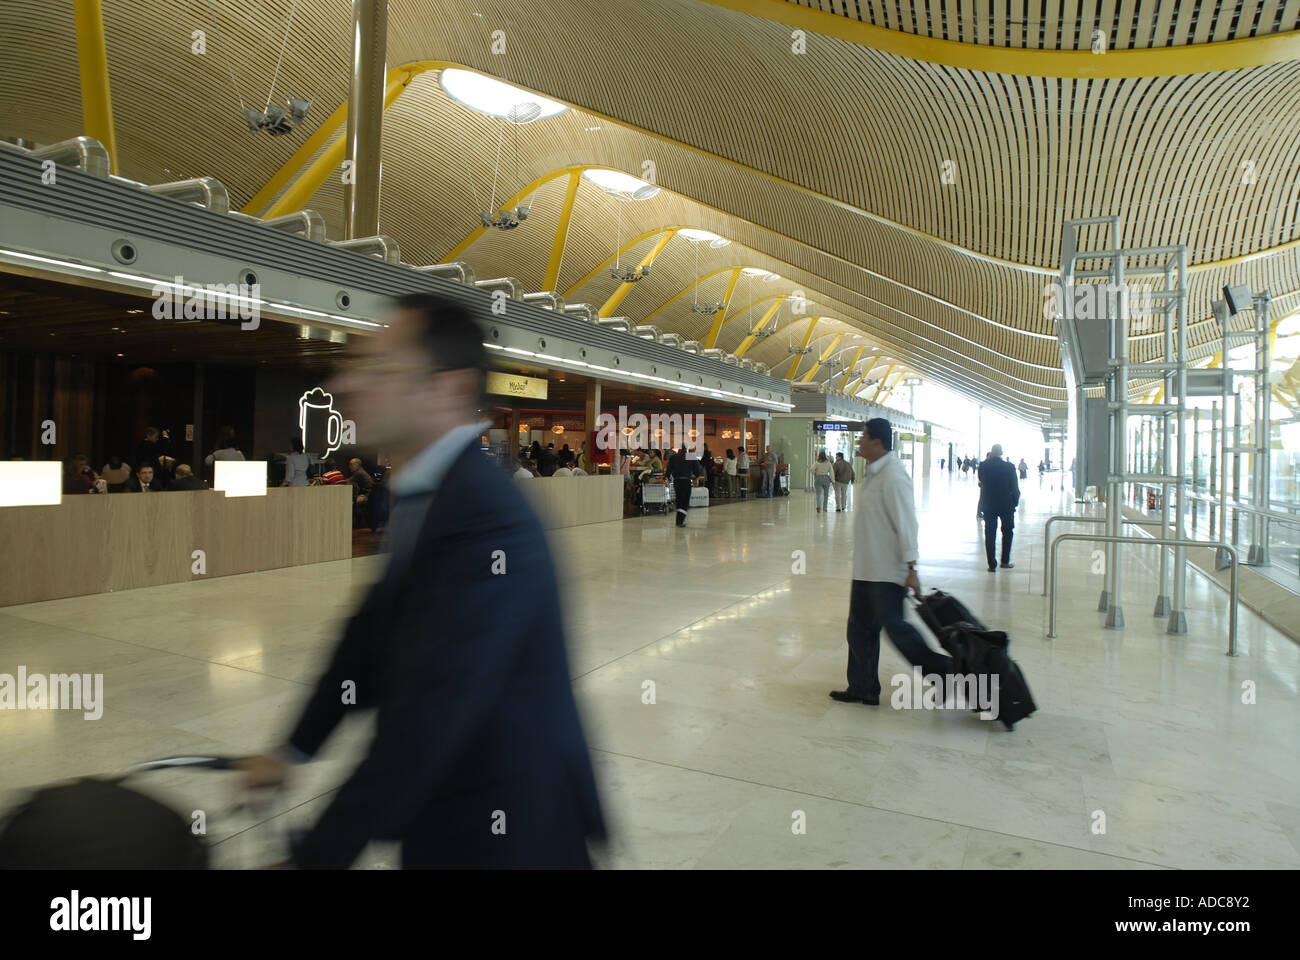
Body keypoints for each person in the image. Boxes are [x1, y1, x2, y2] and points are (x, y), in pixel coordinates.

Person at [238, 292, 605, 869]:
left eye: (379, 368)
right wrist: (292, 748)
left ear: (449, 389)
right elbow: (368, 636)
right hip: (455, 818)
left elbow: (431, 712)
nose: (347, 384)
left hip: (511, 832)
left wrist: (316, 857)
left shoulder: (486, 515)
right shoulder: (426, 490)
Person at [830, 418, 952, 706]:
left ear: (877, 442)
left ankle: (945, 673)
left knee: (898, 631)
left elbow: (907, 523)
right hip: (865, 570)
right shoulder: (874, 473)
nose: (859, 442)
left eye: (863, 437)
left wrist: (911, 568)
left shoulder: (894, 476)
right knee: (858, 631)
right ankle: (863, 687)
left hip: (886, 572)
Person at [977, 444, 1020, 572]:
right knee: (1007, 532)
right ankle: (1005, 561)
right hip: (1006, 504)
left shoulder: (983, 466)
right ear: (1001, 453)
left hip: (989, 504)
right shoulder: (1009, 466)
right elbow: (1014, 487)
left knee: (989, 533)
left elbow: (981, 480)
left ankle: (991, 565)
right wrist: (1015, 502)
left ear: (991, 452)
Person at [666, 445, 704, 527]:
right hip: (686, 480)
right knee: (685, 501)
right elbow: (697, 470)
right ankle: (680, 521)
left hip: (676, 481)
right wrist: (696, 479)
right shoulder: (691, 456)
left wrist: (667, 478)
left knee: (679, 500)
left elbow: (668, 470)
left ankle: (678, 520)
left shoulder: (673, 457)